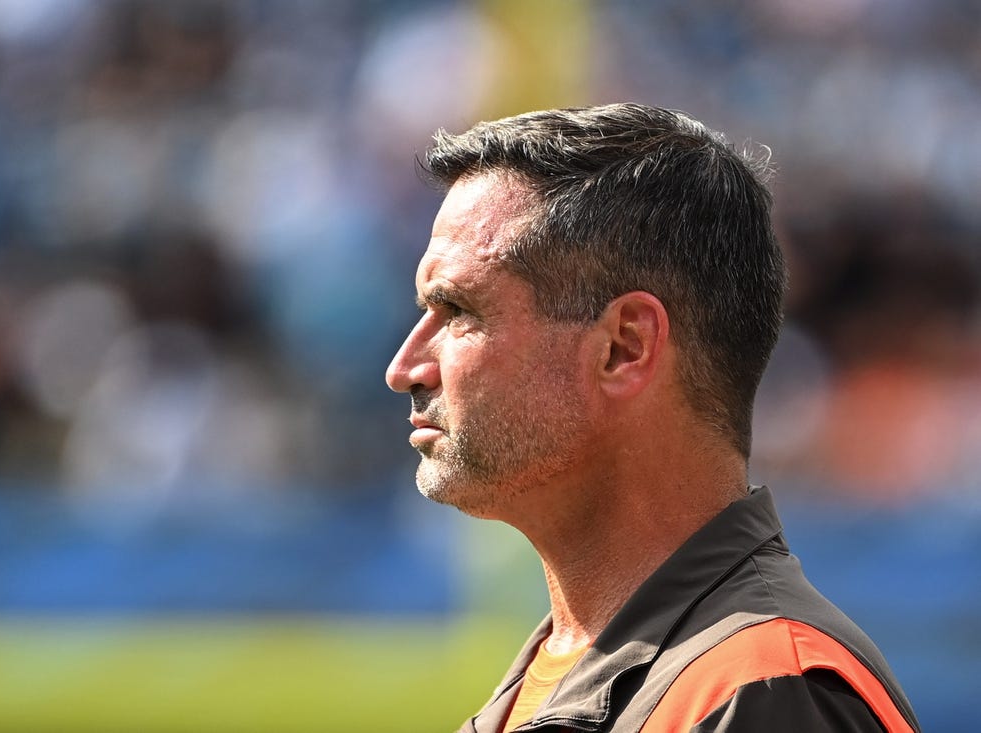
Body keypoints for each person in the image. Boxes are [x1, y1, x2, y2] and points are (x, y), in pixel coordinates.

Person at [385, 103, 920, 732]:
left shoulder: (763, 688)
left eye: (458, 311)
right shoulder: (572, 671)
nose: (406, 367)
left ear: (624, 347)